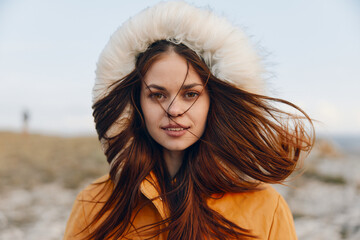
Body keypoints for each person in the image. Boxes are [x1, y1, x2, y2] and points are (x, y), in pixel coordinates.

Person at [64, 1, 314, 239]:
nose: (174, 109)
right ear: (135, 104)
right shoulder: (94, 203)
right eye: (157, 95)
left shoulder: (266, 208)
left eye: (190, 94)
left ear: (213, 102)